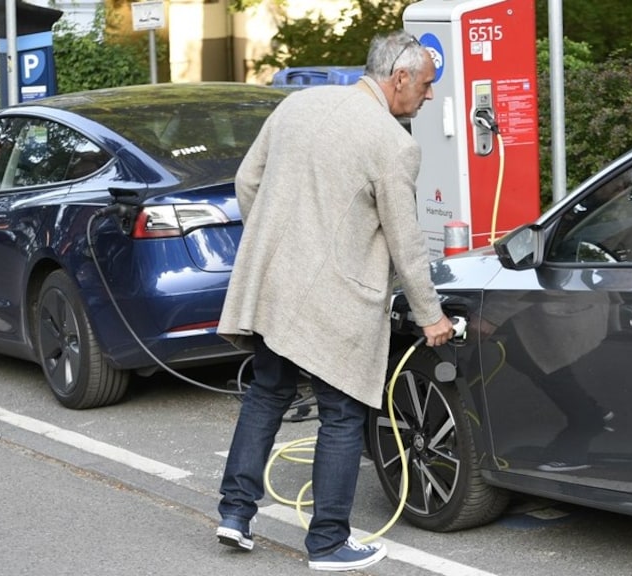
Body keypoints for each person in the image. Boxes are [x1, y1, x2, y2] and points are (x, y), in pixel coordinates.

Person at [215, 30, 455, 572]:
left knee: (266, 395)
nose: (428, 96)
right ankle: (327, 544)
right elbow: (405, 241)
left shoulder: (298, 105)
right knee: (342, 415)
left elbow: (247, 180)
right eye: (425, 84)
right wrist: (431, 315)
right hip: (337, 300)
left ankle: (234, 513)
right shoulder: (393, 143)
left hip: (272, 288)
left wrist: (280, 243)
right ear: (399, 79)